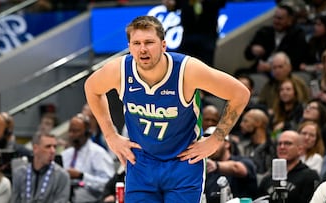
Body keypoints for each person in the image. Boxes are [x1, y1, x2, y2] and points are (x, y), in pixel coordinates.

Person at [84, 16, 250, 203]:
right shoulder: (119, 70)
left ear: (163, 45)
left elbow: (240, 94)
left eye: (149, 42)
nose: (143, 49)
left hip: (183, 163)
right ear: (130, 48)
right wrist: (110, 136)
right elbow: (91, 88)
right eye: (136, 43)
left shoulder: (187, 70)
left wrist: (216, 139)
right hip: (141, 163)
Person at [239, 4, 308, 75]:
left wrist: (272, 67)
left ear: (289, 20)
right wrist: (252, 50)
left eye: (280, 18)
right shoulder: (265, 32)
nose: (276, 21)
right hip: (260, 70)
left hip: (284, 73)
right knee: (240, 74)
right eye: (275, 17)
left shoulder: (297, 35)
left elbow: (296, 61)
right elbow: (247, 55)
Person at [61, 113, 115, 203]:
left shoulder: (98, 153)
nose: (71, 135)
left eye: (75, 131)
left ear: (87, 133)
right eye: (70, 131)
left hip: (90, 198)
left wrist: (81, 176)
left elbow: (108, 184)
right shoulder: (65, 154)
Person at [257, 130, 320, 203]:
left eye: (288, 143)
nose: (282, 147)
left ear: (300, 149)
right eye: (279, 144)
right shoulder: (267, 179)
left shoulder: (309, 176)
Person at [162, 0, 226, 66]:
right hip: (188, 34)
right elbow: (173, 6)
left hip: (207, 34)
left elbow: (221, 3)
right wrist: (169, 3)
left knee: (206, 65)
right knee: (185, 64)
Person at [11, 132, 70, 203]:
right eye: (48, 147)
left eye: (54, 147)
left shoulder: (62, 176)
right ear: (35, 148)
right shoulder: (20, 173)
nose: (53, 151)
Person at [204, 126, 258, 202]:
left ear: (227, 144)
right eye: (207, 142)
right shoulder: (206, 169)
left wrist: (216, 166)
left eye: (215, 141)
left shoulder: (243, 161)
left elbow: (238, 168)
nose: (210, 145)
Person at [239, 109, 276, 176]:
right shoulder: (243, 147)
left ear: (258, 122)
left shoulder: (272, 147)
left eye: (245, 121)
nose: (241, 125)